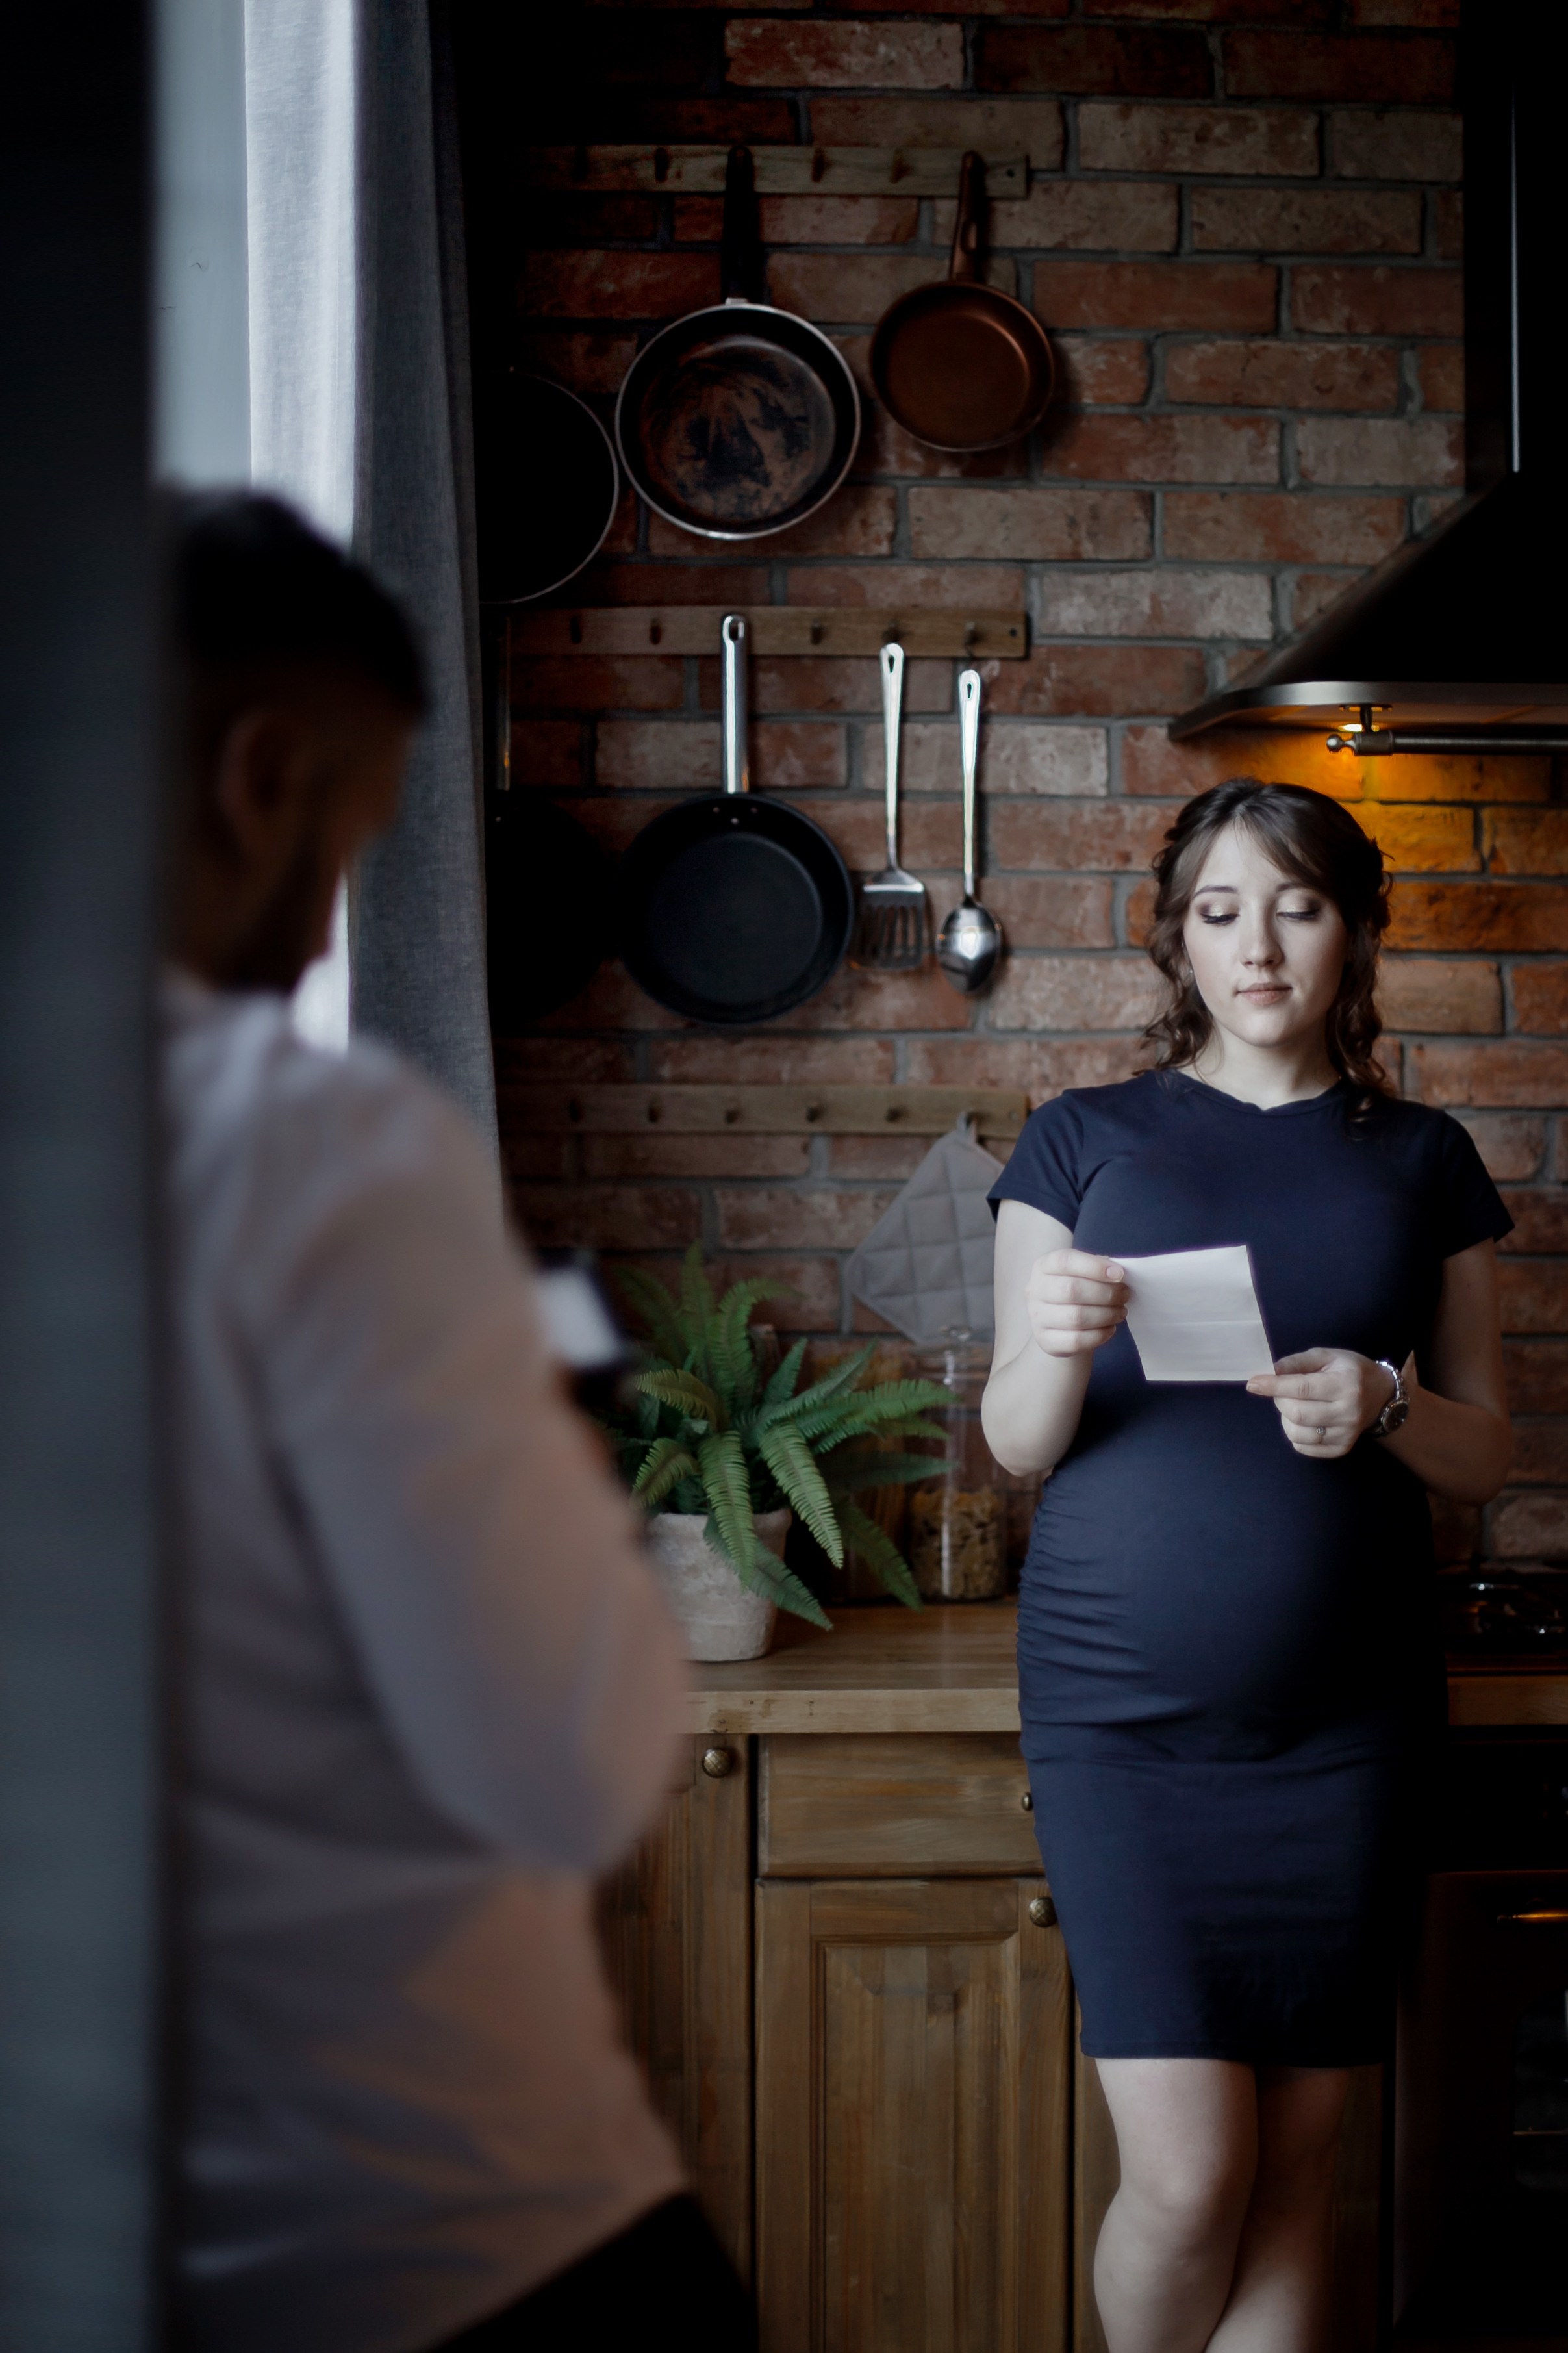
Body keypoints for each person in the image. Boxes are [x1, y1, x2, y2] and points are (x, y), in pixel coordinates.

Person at [161, 492, 754, 2352]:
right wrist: (564, 1451)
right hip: (422, 2222)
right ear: (261, 775)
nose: (329, 915)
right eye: (348, 839)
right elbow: (560, 1764)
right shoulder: (305, 1146)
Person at [981, 780, 1512, 2353]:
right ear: (1179, 939)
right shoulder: (1081, 1140)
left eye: (1295, 905)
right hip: (1124, 1727)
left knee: (1301, 2170)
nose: (1258, 944)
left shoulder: (1422, 1154)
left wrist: (1393, 1398)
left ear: (1350, 932)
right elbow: (1017, 1442)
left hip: (1348, 1725)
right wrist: (1058, 1344)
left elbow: (1491, 1447)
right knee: (1193, 2171)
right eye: (1221, 910)